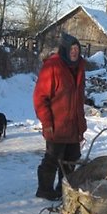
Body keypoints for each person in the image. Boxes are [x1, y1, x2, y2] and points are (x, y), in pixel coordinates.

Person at [33, 32, 87, 201]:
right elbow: (40, 98)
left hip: (73, 125)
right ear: (64, 49)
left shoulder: (79, 67)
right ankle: (45, 190)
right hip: (57, 125)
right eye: (71, 49)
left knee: (71, 161)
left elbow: (79, 99)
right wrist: (47, 123)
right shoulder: (53, 66)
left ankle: (64, 190)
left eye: (77, 49)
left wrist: (81, 124)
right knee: (52, 160)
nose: (74, 52)